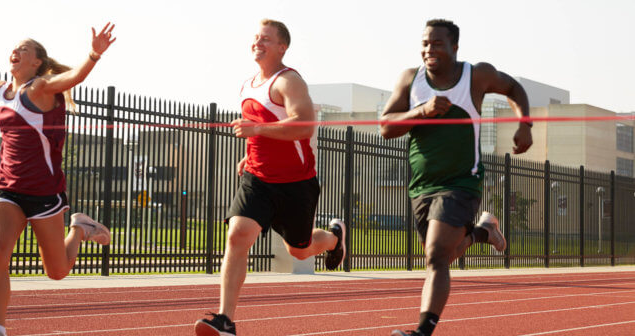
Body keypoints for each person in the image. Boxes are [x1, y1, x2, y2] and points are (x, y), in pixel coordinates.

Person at [0, 15, 116, 336]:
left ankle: (80, 228)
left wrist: (94, 55)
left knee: (57, 271)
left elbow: (73, 77)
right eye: (14, 48)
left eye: (24, 49)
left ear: (37, 62)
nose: (15, 52)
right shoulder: (3, 91)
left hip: (45, 193)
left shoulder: (42, 88)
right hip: (7, 188)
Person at [379, 19, 533, 336]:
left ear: (454, 47)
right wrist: (421, 112)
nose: (428, 50)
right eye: (424, 43)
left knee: (436, 255)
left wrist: (525, 124)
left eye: (436, 43)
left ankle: (422, 332)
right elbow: (386, 128)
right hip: (422, 185)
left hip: (462, 181)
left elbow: (514, 88)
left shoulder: (475, 76)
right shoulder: (411, 79)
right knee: (444, 254)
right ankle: (484, 232)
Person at [194, 19, 346, 336]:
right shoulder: (247, 85)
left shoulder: (288, 81)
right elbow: (259, 127)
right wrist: (250, 154)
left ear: (282, 47)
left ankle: (333, 238)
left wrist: (258, 130)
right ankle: (225, 320)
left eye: (266, 39)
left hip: (295, 184)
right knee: (237, 235)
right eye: (256, 38)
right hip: (258, 179)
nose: (258, 42)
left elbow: (304, 126)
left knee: (299, 250)